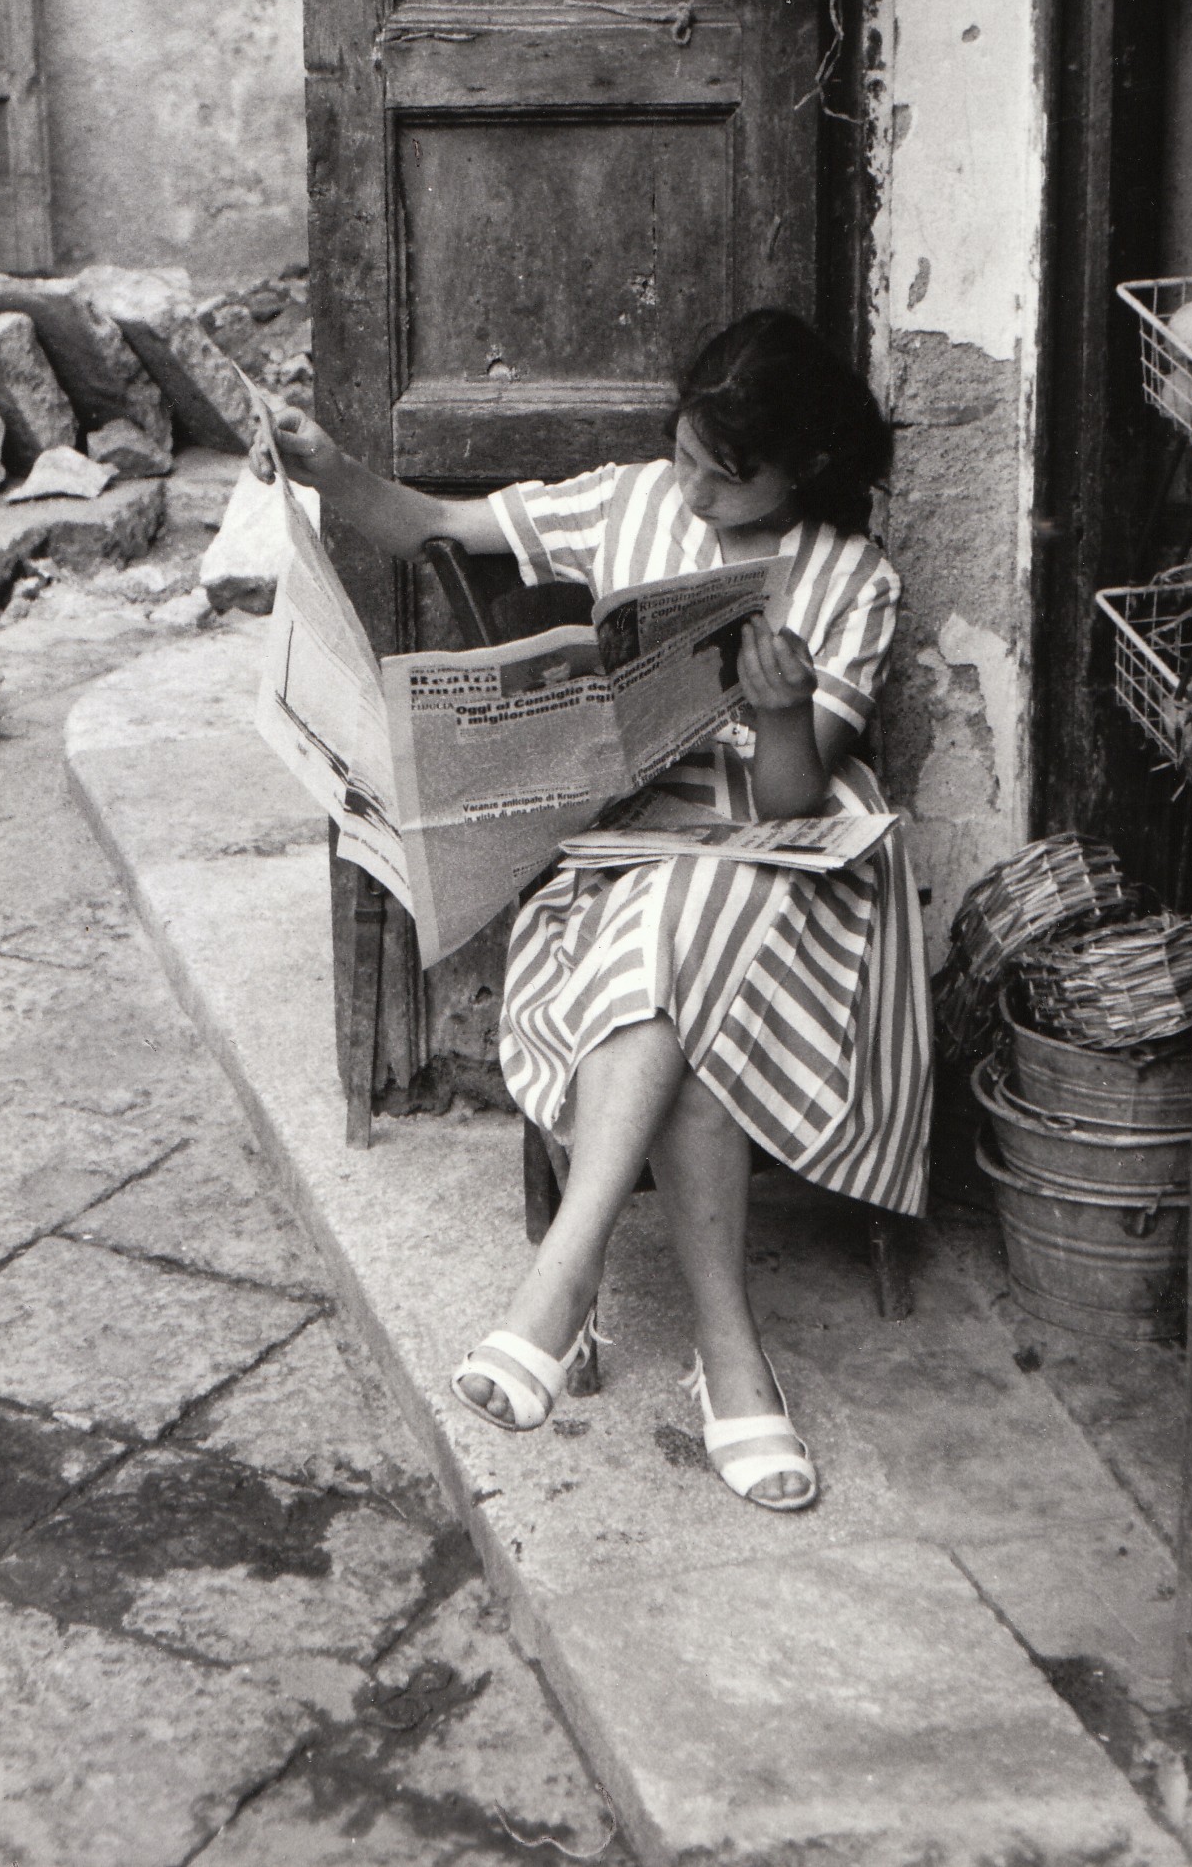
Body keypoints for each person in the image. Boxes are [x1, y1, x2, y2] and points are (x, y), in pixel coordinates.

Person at [261, 309, 930, 1512]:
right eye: (682, 456)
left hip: (790, 872)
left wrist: (779, 711)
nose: (692, 491)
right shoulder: (628, 499)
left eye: (726, 480)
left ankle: (558, 1289)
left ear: (806, 470)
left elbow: (787, 801)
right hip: (627, 842)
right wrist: (328, 468)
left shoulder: (852, 582)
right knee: (670, 928)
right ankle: (731, 1363)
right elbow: (432, 525)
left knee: (689, 919)